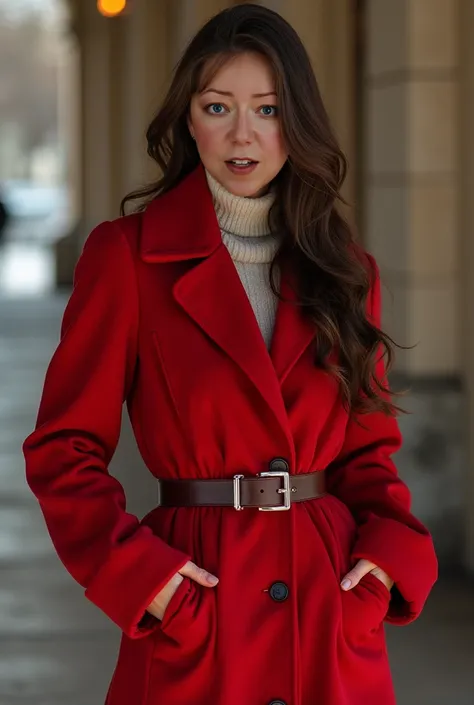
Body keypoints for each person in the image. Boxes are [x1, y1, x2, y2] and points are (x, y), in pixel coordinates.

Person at [22, 4, 438, 705]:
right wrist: (147, 582)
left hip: (328, 615)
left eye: (268, 109)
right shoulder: (126, 257)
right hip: (198, 608)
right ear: (189, 118)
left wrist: (379, 572)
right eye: (218, 106)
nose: (243, 134)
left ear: (295, 122)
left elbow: (370, 456)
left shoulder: (343, 268)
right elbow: (63, 449)